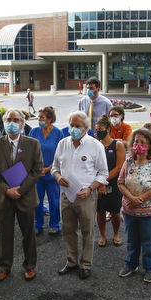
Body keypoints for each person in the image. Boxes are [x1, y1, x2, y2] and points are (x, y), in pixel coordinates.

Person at [52, 111, 108, 280]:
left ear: (86, 128)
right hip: (66, 195)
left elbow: (103, 173)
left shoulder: (95, 146)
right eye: (72, 125)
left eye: (78, 126)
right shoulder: (63, 143)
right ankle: (72, 262)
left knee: (87, 232)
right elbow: (55, 167)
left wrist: (90, 189)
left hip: (86, 196)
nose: (74, 129)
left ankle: (86, 264)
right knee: (68, 230)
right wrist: (58, 177)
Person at [0, 109, 43, 282]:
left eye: (16, 120)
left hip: (25, 196)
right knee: (4, 234)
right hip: (3, 197)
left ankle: (29, 265)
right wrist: (7, 190)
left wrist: (20, 190)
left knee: (29, 234)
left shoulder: (33, 144)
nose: (12, 123)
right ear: (4, 122)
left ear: (22, 123)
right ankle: (4, 266)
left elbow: (37, 169)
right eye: (9, 120)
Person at [117, 129, 151, 282]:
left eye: (143, 142)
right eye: (136, 141)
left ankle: (150, 268)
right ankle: (131, 264)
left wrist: (138, 200)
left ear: (149, 145)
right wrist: (131, 198)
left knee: (149, 241)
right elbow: (120, 182)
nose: (138, 145)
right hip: (130, 211)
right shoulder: (129, 161)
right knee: (132, 240)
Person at [95, 115, 126, 248]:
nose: (98, 132)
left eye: (101, 129)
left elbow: (119, 167)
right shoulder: (96, 145)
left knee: (115, 212)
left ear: (108, 129)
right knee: (100, 210)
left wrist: (103, 180)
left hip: (113, 182)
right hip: (98, 183)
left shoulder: (117, 145)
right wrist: (99, 183)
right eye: (97, 129)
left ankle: (116, 234)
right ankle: (103, 235)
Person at [34, 107, 65, 236]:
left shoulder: (58, 133)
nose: (39, 119)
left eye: (42, 117)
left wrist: (49, 168)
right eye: (39, 117)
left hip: (52, 173)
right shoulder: (34, 132)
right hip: (37, 173)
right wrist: (38, 169)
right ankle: (38, 224)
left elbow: (61, 154)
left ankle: (54, 224)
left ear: (50, 119)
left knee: (54, 201)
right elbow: (30, 151)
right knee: (37, 200)